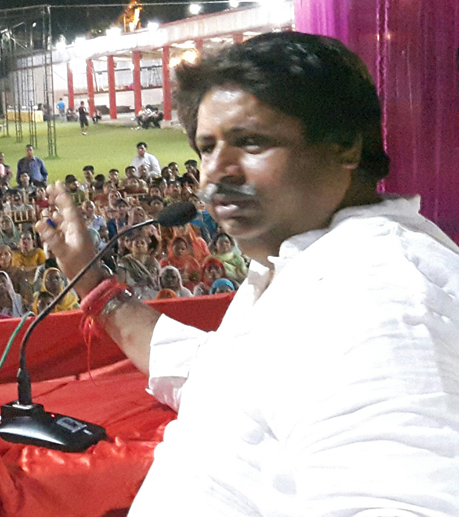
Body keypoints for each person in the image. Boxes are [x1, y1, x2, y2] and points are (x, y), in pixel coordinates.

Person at [34, 32, 459, 514]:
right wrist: (93, 283)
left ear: (345, 146)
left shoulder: (378, 294)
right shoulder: (309, 260)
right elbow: (220, 381)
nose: (218, 172)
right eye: (206, 147)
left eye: (251, 142)